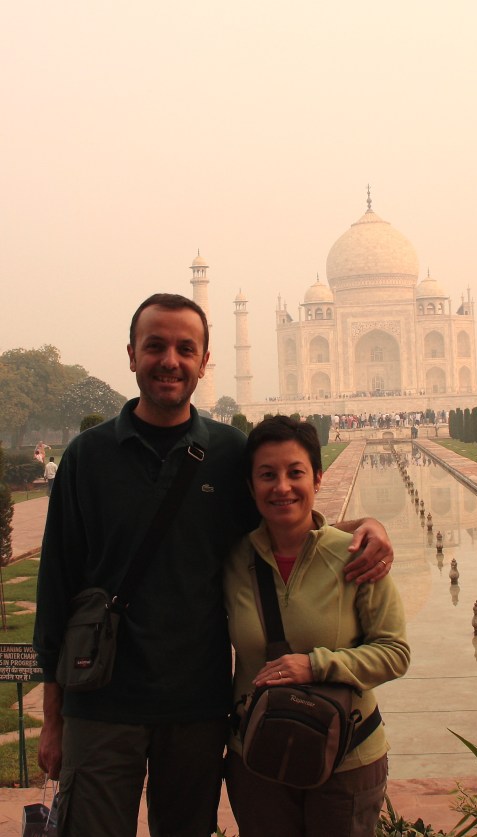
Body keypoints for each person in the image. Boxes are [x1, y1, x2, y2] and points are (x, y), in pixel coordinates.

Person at [33, 293, 394, 837]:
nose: (170, 360)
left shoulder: (229, 454)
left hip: (196, 709)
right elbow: (56, 591)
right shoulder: (88, 457)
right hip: (100, 705)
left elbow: (284, 520)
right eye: (155, 346)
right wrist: (53, 722)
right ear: (132, 354)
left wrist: (365, 525)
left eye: (186, 348)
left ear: (205, 362)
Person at [224, 416, 409, 837]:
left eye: (296, 473)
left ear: (318, 479)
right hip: (256, 756)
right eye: (267, 475)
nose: (282, 487)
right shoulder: (233, 559)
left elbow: (395, 653)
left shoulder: (358, 555)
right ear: (250, 486)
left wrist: (315, 666)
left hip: (347, 758)